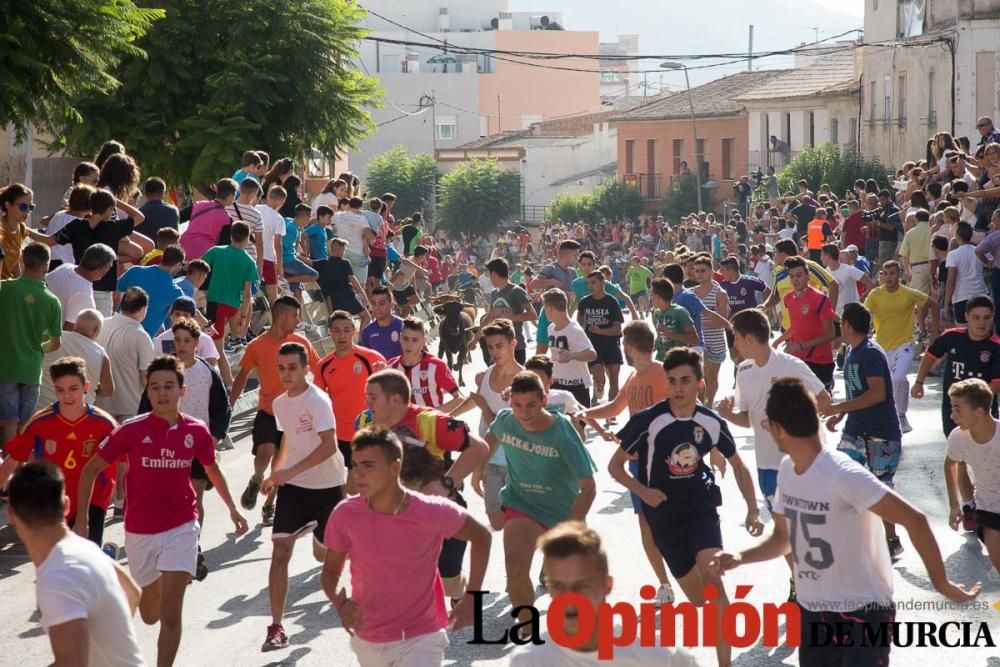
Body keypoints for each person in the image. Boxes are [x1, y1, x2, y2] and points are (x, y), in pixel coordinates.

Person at [718, 377, 980, 667]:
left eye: (767, 423)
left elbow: (914, 519)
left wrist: (941, 584)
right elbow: (782, 538)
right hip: (813, 611)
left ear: (777, 429)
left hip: (864, 613)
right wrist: (741, 557)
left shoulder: (843, 474)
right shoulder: (787, 471)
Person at [75, 355, 248, 667]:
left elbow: (212, 470)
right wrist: (82, 523)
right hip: (139, 529)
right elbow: (89, 471)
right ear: (148, 391)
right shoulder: (129, 430)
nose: (162, 393)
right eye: (155, 387)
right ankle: (120, 573)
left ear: (182, 391)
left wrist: (233, 508)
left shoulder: (196, 431)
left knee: (170, 612)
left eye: (169, 386)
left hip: (182, 526)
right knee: (150, 615)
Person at [610, 348, 762, 667]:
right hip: (664, 517)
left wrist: (752, 508)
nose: (678, 388)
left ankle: (725, 664)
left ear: (700, 384)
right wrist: (643, 492)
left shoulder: (711, 422)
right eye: (673, 381)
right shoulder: (648, 420)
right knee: (699, 599)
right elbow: (615, 466)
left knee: (714, 581)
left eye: (685, 381)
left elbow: (739, 465)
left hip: (701, 507)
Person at [321, 426, 492, 667]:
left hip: (423, 636)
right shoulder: (345, 514)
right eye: (355, 465)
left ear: (395, 468)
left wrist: (472, 597)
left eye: (368, 466)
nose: (357, 474)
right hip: (370, 637)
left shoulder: (431, 510)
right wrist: (341, 603)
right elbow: (330, 572)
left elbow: (482, 536)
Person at [718, 308, 830, 598]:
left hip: (801, 463)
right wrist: (728, 415)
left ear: (751, 338)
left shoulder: (791, 365)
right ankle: (799, 581)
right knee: (784, 532)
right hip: (767, 466)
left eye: (737, 339)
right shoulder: (743, 372)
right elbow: (748, 418)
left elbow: (823, 399)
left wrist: (790, 424)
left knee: (807, 529)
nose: (735, 346)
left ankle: (818, 581)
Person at [358, 369, 490, 605]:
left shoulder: (429, 421)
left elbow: (479, 448)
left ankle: (459, 589)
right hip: (399, 516)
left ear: (395, 399)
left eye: (373, 397)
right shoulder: (367, 424)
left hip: (442, 512)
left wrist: (446, 482)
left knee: (448, 584)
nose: (367, 403)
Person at [486, 371, 597, 636]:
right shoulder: (505, 421)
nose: (523, 413)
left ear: (544, 400)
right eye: (517, 405)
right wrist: (476, 471)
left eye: (531, 405)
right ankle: (527, 631)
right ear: (510, 402)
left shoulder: (562, 433)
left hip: (562, 513)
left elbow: (589, 488)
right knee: (514, 568)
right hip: (520, 502)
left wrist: (570, 530)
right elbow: (484, 446)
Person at [6, 462, 145, 666]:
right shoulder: (87, 549)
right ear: (67, 505)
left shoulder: (60, 573)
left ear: (10, 515)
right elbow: (133, 593)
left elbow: (72, 663)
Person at [579, 321, 677, 603]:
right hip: (636, 462)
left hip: (665, 462)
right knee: (646, 524)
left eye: (624, 345)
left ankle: (688, 571)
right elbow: (616, 407)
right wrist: (588, 413)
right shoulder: (633, 377)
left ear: (630, 347)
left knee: (671, 523)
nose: (623, 350)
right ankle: (664, 584)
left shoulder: (663, 374)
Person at [509, 522, 698, 666]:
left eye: (581, 586)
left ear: (607, 586)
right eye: (558, 586)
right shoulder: (528, 661)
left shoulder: (657, 656)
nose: (569, 598)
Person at [258, 342, 346, 651]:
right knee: (280, 552)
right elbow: (289, 442)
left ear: (306, 368)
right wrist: (275, 475)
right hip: (294, 489)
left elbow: (329, 446)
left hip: (327, 487)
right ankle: (277, 627)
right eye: (281, 368)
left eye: (292, 368)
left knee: (325, 555)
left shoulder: (318, 400)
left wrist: (288, 472)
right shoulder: (281, 403)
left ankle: (321, 539)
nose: (286, 374)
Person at [1, 357, 119, 545]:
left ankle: (103, 559)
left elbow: (126, 462)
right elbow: (11, 460)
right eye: (60, 390)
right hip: (54, 498)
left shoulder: (104, 424)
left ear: (86, 386)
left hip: (94, 497)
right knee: (59, 557)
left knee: (88, 553)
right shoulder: (40, 422)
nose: (67, 396)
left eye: (73, 389)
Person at [822, 302, 906, 559]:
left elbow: (878, 394)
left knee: (880, 490)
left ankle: (891, 540)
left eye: (841, 324)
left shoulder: (869, 352)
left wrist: (839, 407)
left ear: (846, 324)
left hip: (881, 434)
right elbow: (858, 392)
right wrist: (843, 414)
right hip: (855, 432)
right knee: (837, 480)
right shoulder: (852, 351)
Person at [231, 296, 321, 526]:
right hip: (268, 411)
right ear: (282, 316)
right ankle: (257, 478)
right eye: (295, 315)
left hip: (294, 414)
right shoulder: (257, 345)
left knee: (282, 465)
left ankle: (269, 505)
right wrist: (229, 406)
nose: (298, 320)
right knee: (265, 454)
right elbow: (242, 376)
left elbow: (320, 369)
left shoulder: (300, 342)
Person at [314, 311, 386, 494]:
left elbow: (391, 390)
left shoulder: (371, 358)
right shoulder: (323, 366)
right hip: (340, 435)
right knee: (350, 487)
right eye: (337, 330)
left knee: (358, 484)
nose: (342, 335)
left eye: (347, 330)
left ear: (354, 332)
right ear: (329, 333)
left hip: (369, 432)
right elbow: (318, 402)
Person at [864, 260, 938, 435]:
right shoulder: (875, 295)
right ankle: (886, 417)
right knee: (888, 382)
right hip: (882, 347)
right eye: (886, 273)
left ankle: (902, 416)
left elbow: (933, 305)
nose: (889, 277)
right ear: (882, 275)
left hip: (905, 344)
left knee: (897, 378)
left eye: (893, 273)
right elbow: (864, 314)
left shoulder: (908, 294)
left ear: (900, 275)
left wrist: (933, 333)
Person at [463, 320, 523, 531]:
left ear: (513, 343)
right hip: (489, 460)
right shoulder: (487, 373)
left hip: (516, 463)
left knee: (516, 525)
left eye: (499, 346)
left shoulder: (524, 381)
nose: (494, 352)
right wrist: (445, 415)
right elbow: (474, 400)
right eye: (490, 347)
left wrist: (486, 410)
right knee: (496, 522)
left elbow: (510, 427)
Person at [0, 242, 62, 445]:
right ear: (47, 265)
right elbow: (55, 343)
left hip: (6, 365)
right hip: (32, 367)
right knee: (26, 421)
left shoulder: (5, 289)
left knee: (8, 420)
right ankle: (20, 465)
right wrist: (38, 348)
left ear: (22, 261)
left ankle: (8, 463)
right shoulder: (52, 301)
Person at [945, 378, 1000, 572]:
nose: (952, 415)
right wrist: (954, 505)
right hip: (988, 507)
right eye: (952, 408)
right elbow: (950, 465)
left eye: (958, 409)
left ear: (979, 411)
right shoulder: (958, 438)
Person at [201, 221, 259, 384]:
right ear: (247, 238)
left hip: (215, 304)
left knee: (216, 349)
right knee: (226, 346)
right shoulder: (249, 262)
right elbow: (247, 294)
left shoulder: (216, 252)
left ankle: (228, 384)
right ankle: (237, 340)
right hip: (234, 306)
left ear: (231, 235)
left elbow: (199, 267)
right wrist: (243, 317)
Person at [772, 257, 837, 392]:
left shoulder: (820, 299)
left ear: (808, 276)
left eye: (799, 275)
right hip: (798, 359)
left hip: (820, 360)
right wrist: (777, 342)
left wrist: (801, 345)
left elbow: (831, 334)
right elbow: (795, 326)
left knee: (822, 405)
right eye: (792, 276)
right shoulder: (788, 298)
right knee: (796, 402)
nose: (795, 279)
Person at [37, 310, 114, 410]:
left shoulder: (52, 339)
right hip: (78, 415)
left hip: (43, 409)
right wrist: (91, 387)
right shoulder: (101, 354)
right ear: (96, 330)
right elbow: (108, 390)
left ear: (75, 325)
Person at [387, 316, 465, 413]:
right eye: (405, 338)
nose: (409, 344)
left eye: (415, 340)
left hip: (429, 426)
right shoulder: (390, 367)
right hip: (399, 427)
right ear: (400, 338)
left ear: (424, 341)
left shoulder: (436, 365)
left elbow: (460, 398)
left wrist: (431, 415)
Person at [577, 270, 625, 406]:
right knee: (599, 377)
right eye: (588, 283)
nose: (590, 286)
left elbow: (617, 329)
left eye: (593, 283)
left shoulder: (612, 302)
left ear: (602, 283)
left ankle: (612, 411)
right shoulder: (585, 302)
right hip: (593, 345)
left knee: (614, 379)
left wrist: (600, 330)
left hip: (611, 344)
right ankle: (599, 386)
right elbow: (579, 324)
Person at [542, 289, 597, 408]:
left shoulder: (574, 329)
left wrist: (572, 356)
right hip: (556, 383)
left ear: (551, 308)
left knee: (579, 424)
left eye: (544, 307)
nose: (544, 311)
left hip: (576, 385)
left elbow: (592, 354)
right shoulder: (550, 328)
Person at [117, 245, 186, 338]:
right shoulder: (175, 291)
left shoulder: (135, 271)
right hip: (142, 338)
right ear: (178, 264)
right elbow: (188, 312)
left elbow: (115, 293)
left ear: (163, 257)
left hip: (117, 330)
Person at [477, 257, 535, 365]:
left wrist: (508, 318)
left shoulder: (517, 291)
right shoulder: (494, 293)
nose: (489, 279)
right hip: (497, 350)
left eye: (489, 275)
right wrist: (475, 339)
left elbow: (532, 315)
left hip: (516, 348)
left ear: (494, 274)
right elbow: (489, 317)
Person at [44, 243, 115, 331]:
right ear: (103, 268)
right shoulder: (83, 294)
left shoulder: (64, 267)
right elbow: (69, 331)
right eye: (109, 267)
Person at [315, 237, 372, 328]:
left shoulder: (323, 263)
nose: (344, 252)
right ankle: (361, 340)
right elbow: (353, 280)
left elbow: (308, 262)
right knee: (366, 317)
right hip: (347, 295)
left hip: (332, 299)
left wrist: (297, 255)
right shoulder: (344, 263)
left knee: (339, 322)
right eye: (344, 250)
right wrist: (364, 297)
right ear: (340, 250)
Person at [178, 178, 237, 261]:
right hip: (204, 257)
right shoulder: (227, 219)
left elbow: (177, 218)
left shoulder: (198, 205)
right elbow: (223, 246)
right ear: (230, 196)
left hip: (182, 250)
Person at [946, 221, 988, 324]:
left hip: (962, 297)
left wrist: (947, 303)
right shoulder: (979, 252)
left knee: (962, 332)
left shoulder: (953, 254)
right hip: (981, 293)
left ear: (957, 235)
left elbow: (951, 280)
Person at [651, 277, 699, 362]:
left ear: (658, 297)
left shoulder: (680, 312)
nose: (650, 297)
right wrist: (653, 346)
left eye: (652, 294)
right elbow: (661, 335)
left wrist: (671, 334)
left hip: (677, 362)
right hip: (660, 360)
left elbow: (695, 340)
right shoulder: (657, 313)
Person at [256, 185, 288, 304]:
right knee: (273, 296)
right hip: (268, 257)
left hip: (252, 255)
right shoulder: (278, 219)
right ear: (281, 200)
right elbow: (278, 245)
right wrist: (280, 267)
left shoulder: (256, 209)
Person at [360, 286, 404, 360]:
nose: (377, 308)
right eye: (373, 304)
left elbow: (422, 354)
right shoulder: (367, 332)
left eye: (382, 303)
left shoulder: (404, 326)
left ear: (392, 305)